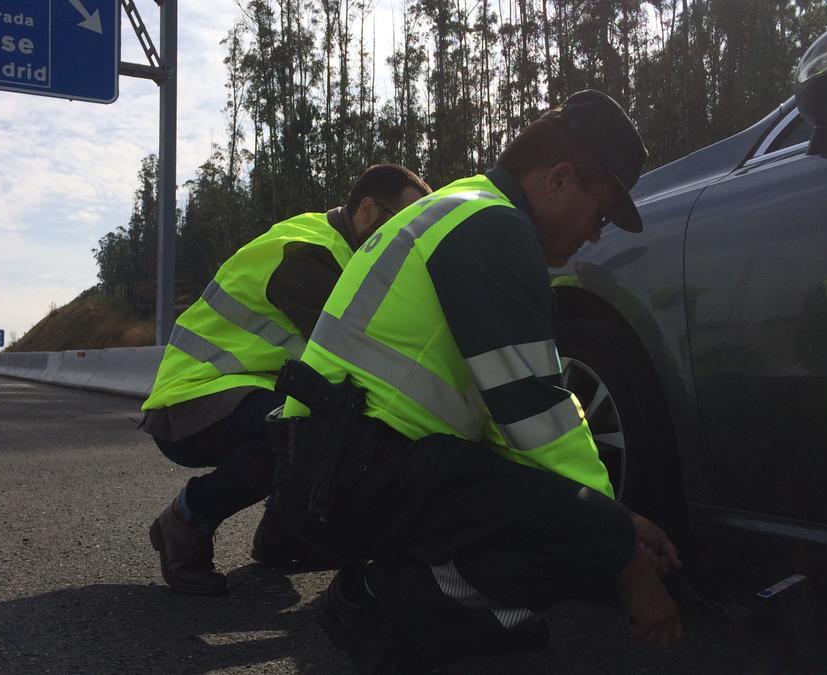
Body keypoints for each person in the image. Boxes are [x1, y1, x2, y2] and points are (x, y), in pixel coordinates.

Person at [272, 90, 683, 672]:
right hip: (355, 468)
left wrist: (611, 526)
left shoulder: (460, 206)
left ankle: (427, 603)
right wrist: (623, 547)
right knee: (581, 531)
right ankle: (383, 600)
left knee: (562, 513)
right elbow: (537, 417)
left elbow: (504, 423)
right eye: (602, 212)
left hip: (332, 462)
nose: (596, 235)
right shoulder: (493, 229)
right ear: (561, 179)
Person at [141, 164, 432, 595]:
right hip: (192, 400)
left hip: (236, 391)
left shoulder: (336, 249)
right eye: (402, 224)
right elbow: (356, 357)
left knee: (312, 416)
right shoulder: (309, 256)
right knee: (307, 427)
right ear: (368, 210)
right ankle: (186, 518)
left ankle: (283, 535)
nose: (407, 242)